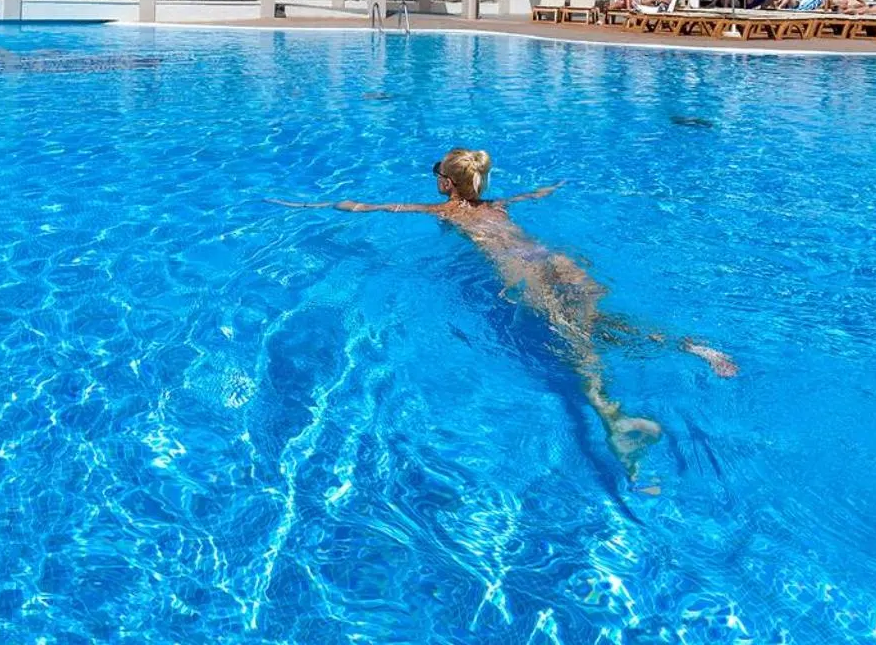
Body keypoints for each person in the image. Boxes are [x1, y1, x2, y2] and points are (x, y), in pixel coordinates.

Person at [277, 149, 735, 480]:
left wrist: (308, 206)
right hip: (555, 260)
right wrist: (552, 187)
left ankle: (611, 414)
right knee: (601, 321)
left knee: (571, 338)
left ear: (446, 184)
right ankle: (689, 345)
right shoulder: (497, 205)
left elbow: (372, 207)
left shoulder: (448, 211)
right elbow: (533, 196)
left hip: (522, 272)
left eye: (439, 173)